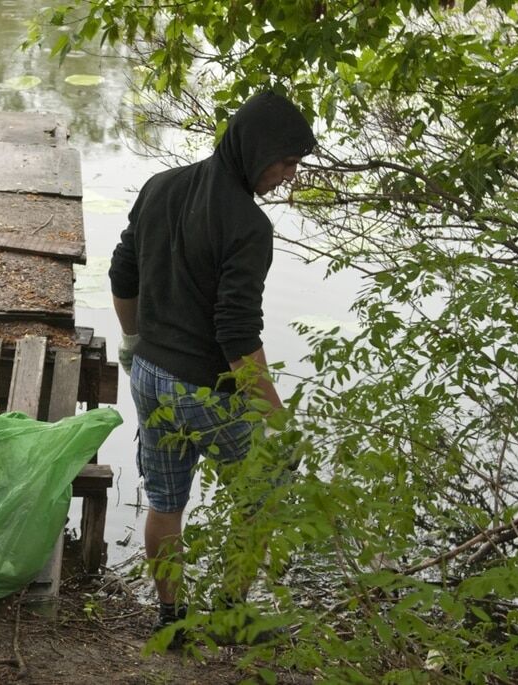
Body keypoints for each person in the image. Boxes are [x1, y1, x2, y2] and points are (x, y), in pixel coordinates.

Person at [108, 91, 317, 645]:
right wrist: (278, 420)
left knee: (166, 500)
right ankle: (231, 613)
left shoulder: (161, 186)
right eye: (286, 161)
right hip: (206, 390)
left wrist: (132, 342)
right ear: (256, 150)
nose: (289, 175)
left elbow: (122, 273)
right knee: (265, 487)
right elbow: (236, 333)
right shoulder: (249, 225)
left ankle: (171, 620)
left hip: (150, 377)